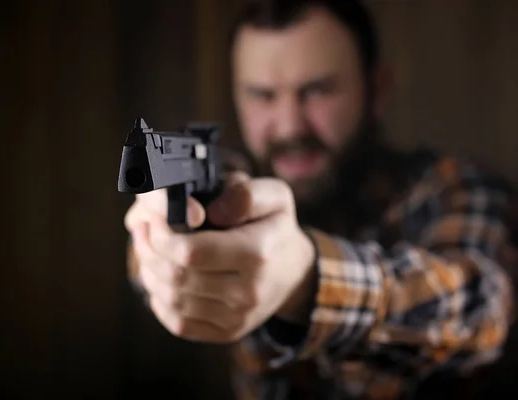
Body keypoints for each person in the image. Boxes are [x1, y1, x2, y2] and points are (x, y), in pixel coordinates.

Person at [123, 0, 518, 398]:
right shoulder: (234, 182)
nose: (290, 126)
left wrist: (306, 280)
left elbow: (480, 311)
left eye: (317, 91)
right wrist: (161, 246)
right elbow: (153, 252)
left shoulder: (458, 190)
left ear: (377, 90)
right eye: (262, 95)